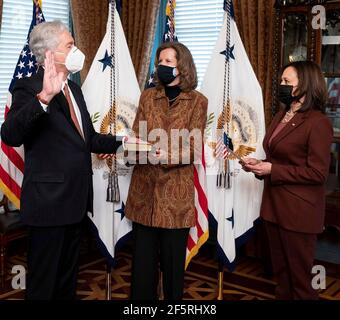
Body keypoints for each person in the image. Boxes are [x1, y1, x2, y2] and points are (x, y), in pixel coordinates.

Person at [0, 21, 124, 300]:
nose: (76, 50)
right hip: (48, 204)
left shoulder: (75, 90)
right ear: (50, 53)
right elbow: (9, 135)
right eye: (70, 45)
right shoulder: (28, 87)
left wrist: (125, 142)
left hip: (76, 203)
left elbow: (88, 140)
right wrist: (44, 97)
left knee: (67, 283)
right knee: (43, 285)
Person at [241, 61, 333, 300]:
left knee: (301, 283)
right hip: (274, 208)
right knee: (282, 279)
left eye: (286, 82)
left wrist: (273, 169)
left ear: (305, 85)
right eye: (281, 80)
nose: (281, 85)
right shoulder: (282, 114)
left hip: (298, 213)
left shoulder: (318, 122)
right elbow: (275, 155)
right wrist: (258, 165)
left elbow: (317, 173)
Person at [125, 42, 208, 300]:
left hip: (175, 200)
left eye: (168, 62)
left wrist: (164, 154)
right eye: (160, 61)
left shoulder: (198, 101)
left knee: (173, 272)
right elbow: (137, 136)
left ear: (182, 66)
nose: (162, 66)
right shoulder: (148, 96)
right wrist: (128, 148)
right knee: (142, 271)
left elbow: (194, 149)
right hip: (144, 197)